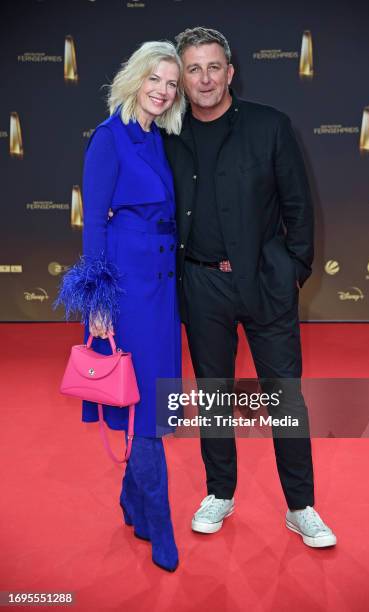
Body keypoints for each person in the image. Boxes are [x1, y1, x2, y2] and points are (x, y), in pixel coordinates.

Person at [162, 27, 337, 548]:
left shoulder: (271, 126)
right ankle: (220, 492)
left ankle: (301, 506)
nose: (205, 78)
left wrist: (290, 271)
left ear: (230, 71)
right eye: (193, 69)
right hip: (200, 283)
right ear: (181, 79)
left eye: (214, 67)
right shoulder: (167, 136)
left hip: (265, 282)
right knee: (213, 396)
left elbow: (299, 208)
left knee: (285, 397)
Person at [54, 40, 185, 571]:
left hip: (163, 289)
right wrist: (98, 302)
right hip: (128, 290)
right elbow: (93, 225)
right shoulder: (108, 138)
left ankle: (132, 501)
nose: (164, 90)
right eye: (156, 78)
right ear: (135, 77)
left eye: (171, 83)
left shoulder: (160, 138)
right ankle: (160, 524)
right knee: (146, 409)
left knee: (149, 399)